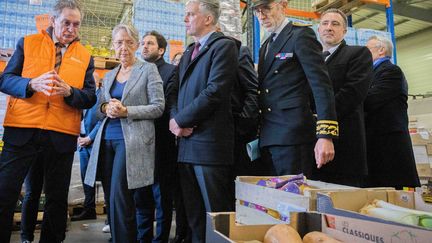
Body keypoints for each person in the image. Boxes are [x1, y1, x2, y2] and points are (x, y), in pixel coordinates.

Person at [0, 0, 97, 242]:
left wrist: (71, 93)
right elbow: (5, 80)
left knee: (56, 198)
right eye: (66, 23)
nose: (71, 29)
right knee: (5, 191)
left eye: (76, 24)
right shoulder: (27, 43)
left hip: (61, 134)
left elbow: (90, 97)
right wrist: (30, 84)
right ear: (53, 21)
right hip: (22, 130)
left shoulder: (85, 56)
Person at [84, 24, 165, 243]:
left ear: (137, 45)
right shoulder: (110, 75)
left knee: (121, 197)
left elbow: (158, 107)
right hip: (106, 140)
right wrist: (106, 108)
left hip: (131, 142)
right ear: (113, 45)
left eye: (129, 43)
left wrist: (126, 111)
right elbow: (100, 107)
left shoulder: (148, 70)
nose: (123, 48)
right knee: (112, 198)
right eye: (119, 42)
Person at [168, 0, 238, 242]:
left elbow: (215, 91)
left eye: (190, 14)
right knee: (194, 214)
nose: (185, 19)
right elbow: (175, 90)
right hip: (186, 146)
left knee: (216, 214)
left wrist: (181, 120)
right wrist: (175, 119)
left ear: (208, 19)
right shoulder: (189, 51)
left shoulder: (224, 47)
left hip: (210, 147)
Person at [251, 0, 338, 177]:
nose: (261, 16)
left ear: (283, 5)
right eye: (257, 11)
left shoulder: (300, 35)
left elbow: (321, 85)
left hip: (293, 135)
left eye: (266, 9)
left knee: (293, 198)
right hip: (269, 135)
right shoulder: (266, 45)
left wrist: (325, 135)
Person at [315, 8, 372, 187]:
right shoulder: (312, 60)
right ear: (319, 29)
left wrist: (321, 118)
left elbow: (351, 93)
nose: (329, 27)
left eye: (335, 24)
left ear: (344, 31)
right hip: (313, 143)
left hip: (345, 142)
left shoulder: (358, 54)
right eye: (325, 23)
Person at [136, 30, 176, 243]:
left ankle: (160, 239)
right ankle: (143, 238)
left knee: (161, 195)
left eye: (150, 43)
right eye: (142, 43)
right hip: (138, 142)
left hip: (161, 141)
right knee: (141, 195)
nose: (144, 47)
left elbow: (168, 105)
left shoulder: (171, 71)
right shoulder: (136, 71)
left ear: (161, 50)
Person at [365, 36, 420, 189]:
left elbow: (369, 100)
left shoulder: (390, 71)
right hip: (377, 146)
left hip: (388, 148)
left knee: (390, 194)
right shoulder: (373, 73)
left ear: (381, 50)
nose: (362, 55)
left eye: (366, 50)